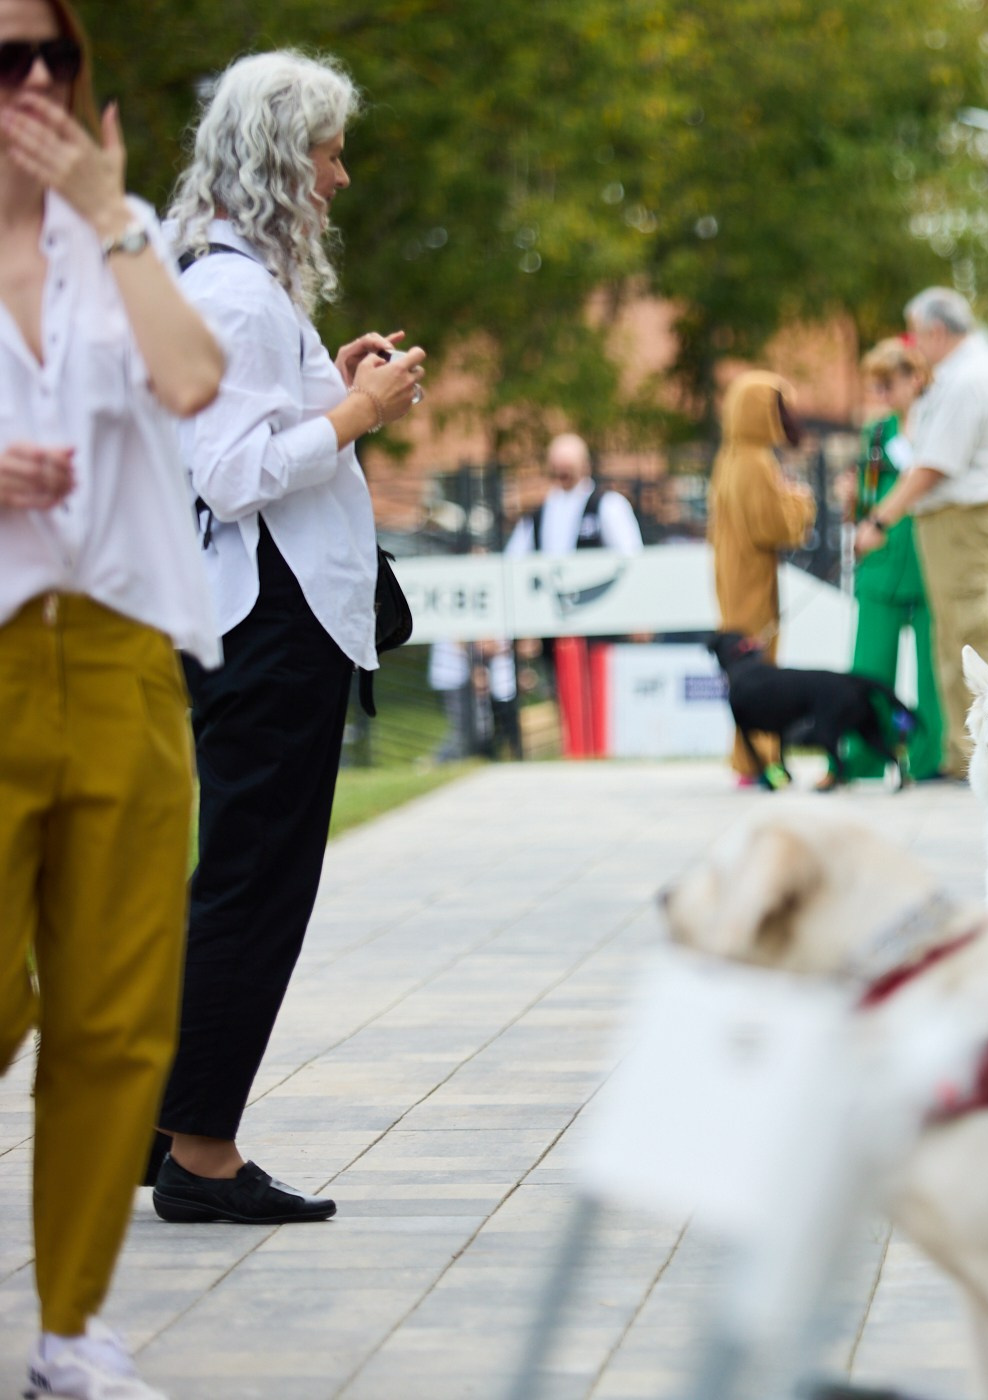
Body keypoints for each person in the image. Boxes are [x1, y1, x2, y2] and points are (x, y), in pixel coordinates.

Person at [154, 49, 427, 1228]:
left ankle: (165, 1124)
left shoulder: (233, 286)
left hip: (263, 614)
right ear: (279, 158)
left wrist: (339, 383)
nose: (342, 174)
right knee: (255, 885)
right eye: (327, 151)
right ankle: (201, 1150)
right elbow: (229, 469)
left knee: (238, 879)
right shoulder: (232, 294)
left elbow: (261, 428)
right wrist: (361, 412)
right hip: (269, 624)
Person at [0, 4, 225, 1391]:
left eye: (54, 59)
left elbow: (194, 379)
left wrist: (109, 209)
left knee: (118, 1010)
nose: (32, 82)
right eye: (3, 60)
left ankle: (68, 1333)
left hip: (130, 656)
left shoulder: (117, 234)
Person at [855, 287, 988, 778]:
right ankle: (965, 753)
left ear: (935, 330)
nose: (915, 346)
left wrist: (880, 519)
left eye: (917, 334)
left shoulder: (967, 377)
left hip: (962, 520)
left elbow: (932, 465)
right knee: (956, 642)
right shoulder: (966, 373)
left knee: (972, 637)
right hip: (956, 521)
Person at [839, 338, 944, 782]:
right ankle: (861, 760)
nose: (881, 393)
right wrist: (848, 503)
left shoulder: (936, 424)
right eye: (875, 384)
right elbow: (864, 500)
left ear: (914, 377)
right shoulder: (875, 433)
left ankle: (929, 760)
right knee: (867, 666)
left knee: (933, 670)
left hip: (927, 559)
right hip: (879, 563)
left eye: (888, 383)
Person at [504, 432, 642, 759]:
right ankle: (575, 750)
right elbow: (514, 566)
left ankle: (603, 749)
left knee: (602, 695)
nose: (563, 473)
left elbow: (632, 560)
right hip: (555, 624)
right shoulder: (538, 515)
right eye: (557, 466)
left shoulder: (607, 505)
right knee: (563, 693)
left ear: (585, 465)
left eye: (568, 465)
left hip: (602, 623)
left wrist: (637, 615)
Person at [709, 369, 817, 784]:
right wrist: (799, 501)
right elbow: (774, 528)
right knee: (759, 670)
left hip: (733, 573)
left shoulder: (731, 457)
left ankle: (748, 758)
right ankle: (759, 761)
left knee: (745, 670)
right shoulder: (755, 462)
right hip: (752, 576)